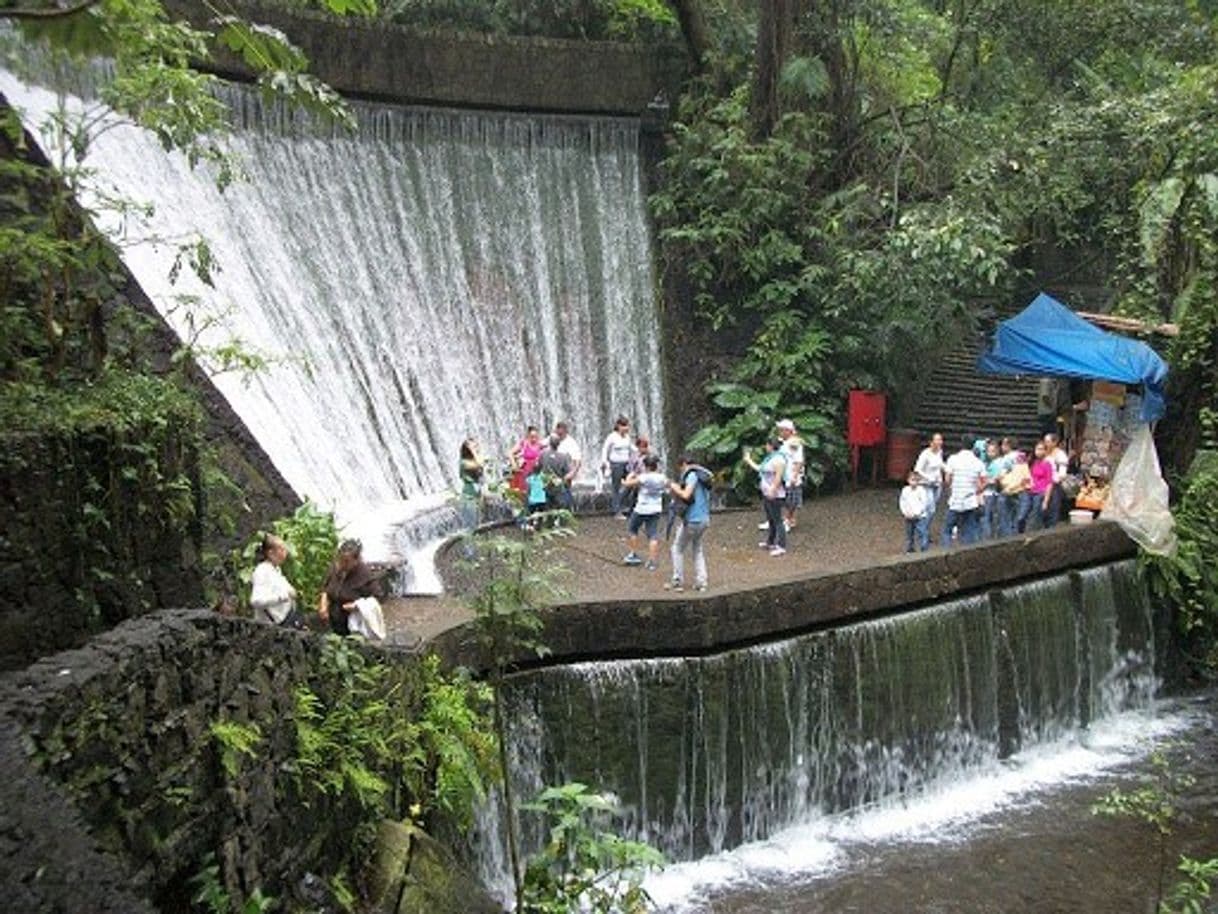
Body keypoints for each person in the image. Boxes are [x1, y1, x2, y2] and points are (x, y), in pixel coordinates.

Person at [667, 454, 712, 592]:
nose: (681, 472)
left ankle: (677, 580)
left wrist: (672, 486)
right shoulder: (705, 476)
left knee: (677, 548)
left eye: (681, 468)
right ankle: (701, 582)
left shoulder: (692, 476)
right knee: (697, 549)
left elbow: (686, 495)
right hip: (704, 519)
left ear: (684, 464)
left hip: (693, 519)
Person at [318, 539, 380, 636]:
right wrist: (323, 604)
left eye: (346, 562)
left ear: (357, 560)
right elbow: (325, 588)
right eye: (340, 560)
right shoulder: (335, 568)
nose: (342, 564)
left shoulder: (365, 574)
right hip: (332, 619)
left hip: (352, 624)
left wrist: (357, 606)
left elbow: (376, 598)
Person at [622, 454, 668, 571]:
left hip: (641, 508)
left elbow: (627, 484)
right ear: (656, 466)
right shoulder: (662, 477)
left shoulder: (644, 477)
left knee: (632, 529)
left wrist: (629, 476)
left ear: (646, 466)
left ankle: (633, 555)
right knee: (653, 535)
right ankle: (652, 562)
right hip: (656, 509)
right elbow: (668, 487)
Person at [249, 533, 305, 629]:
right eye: (281, 549)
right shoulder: (262, 571)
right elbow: (256, 600)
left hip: (286, 623)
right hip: (270, 629)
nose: (285, 552)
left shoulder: (276, 570)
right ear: (270, 553)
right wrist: (283, 597)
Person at [941, 435, 986, 547]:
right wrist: (977, 490)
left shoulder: (953, 459)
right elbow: (984, 481)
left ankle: (946, 552)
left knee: (947, 529)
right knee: (969, 530)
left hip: (955, 499)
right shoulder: (978, 463)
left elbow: (947, 479)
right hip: (970, 500)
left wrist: (952, 487)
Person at [913, 432, 946, 549]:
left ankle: (924, 529)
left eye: (940, 440)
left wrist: (948, 469)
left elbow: (941, 464)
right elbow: (917, 469)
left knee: (932, 509)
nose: (940, 442)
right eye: (937, 440)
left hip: (937, 484)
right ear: (931, 442)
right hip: (926, 484)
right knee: (929, 509)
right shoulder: (925, 454)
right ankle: (922, 531)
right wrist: (928, 477)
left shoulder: (939, 452)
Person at [600, 416, 637, 518]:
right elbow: (605, 449)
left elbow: (632, 448)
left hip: (627, 464)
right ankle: (616, 511)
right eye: (624, 426)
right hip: (616, 464)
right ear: (618, 426)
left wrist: (641, 451)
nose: (626, 428)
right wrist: (604, 462)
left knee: (630, 484)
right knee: (616, 487)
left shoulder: (627, 437)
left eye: (627, 426)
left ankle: (624, 505)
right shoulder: (612, 437)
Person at [777, 419, 805, 532]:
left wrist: (795, 475)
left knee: (792, 499)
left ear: (788, 431)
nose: (780, 432)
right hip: (784, 474)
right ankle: (788, 518)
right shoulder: (783, 442)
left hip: (792, 474)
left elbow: (799, 461)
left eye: (782, 430)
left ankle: (789, 519)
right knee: (786, 498)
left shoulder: (795, 443)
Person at [458, 438, 484, 557]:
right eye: (474, 446)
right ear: (467, 449)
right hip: (468, 498)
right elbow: (480, 464)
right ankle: (469, 555)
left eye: (477, 445)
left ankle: (470, 552)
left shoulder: (472, 461)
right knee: (469, 527)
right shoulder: (463, 462)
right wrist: (474, 451)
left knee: (473, 526)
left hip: (475, 497)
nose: (477, 447)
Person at [899, 471, 931, 554]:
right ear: (908, 480)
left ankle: (924, 548)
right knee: (909, 534)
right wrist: (905, 512)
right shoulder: (905, 490)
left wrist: (917, 513)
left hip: (920, 516)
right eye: (912, 480)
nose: (914, 482)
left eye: (916, 480)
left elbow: (924, 503)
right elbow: (902, 502)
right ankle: (910, 548)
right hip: (908, 516)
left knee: (922, 532)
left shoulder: (921, 490)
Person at [539, 434, 573, 511]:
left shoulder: (543, 454)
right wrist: (567, 485)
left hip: (546, 487)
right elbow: (568, 474)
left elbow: (537, 468)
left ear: (549, 443)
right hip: (558, 488)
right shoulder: (563, 457)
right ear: (559, 444)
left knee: (547, 510)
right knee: (559, 511)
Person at [509, 425, 544, 496]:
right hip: (524, 471)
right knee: (523, 491)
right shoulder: (523, 443)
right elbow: (510, 453)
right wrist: (514, 465)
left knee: (535, 493)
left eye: (536, 437)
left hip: (535, 472)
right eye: (532, 437)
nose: (534, 439)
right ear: (528, 436)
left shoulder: (540, 445)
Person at [1043, 432, 1069, 527]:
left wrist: (1053, 480)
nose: (1046, 444)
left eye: (1048, 441)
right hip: (1043, 485)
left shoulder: (1060, 454)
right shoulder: (1045, 453)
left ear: (1054, 442)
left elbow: (1062, 473)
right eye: (1045, 441)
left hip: (1054, 485)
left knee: (1053, 509)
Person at [1028, 440, 1055, 530]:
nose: (1039, 452)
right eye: (1037, 449)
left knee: (1035, 515)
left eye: (1041, 449)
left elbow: (1049, 483)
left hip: (1040, 493)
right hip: (1031, 492)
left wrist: (1046, 501)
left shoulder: (1047, 464)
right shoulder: (1033, 462)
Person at [981, 439, 1005, 540]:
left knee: (986, 517)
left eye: (992, 451)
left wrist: (983, 484)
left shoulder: (997, 463)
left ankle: (987, 538)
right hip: (991, 492)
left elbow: (995, 479)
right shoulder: (989, 462)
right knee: (990, 516)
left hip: (990, 492)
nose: (990, 453)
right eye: (988, 451)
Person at [553, 420, 582, 499]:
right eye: (558, 433)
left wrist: (572, 473)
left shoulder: (571, 443)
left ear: (566, 431)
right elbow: (541, 445)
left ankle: (568, 509)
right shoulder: (553, 438)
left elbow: (578, 460)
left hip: (565, 473)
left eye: (561, 434)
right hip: (552, 473)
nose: (559, 435)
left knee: (565, 494)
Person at [524, 460, 548, 530]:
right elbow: (546, 487)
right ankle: (539, 527)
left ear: (533, 470)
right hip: (542, 500)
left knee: (531, 515)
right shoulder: (544, 477)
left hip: (532, 500)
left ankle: (531, 527)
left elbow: (528, 489)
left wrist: (527, 497)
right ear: (541, 470)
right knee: (540, 515)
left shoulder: (530, 478)